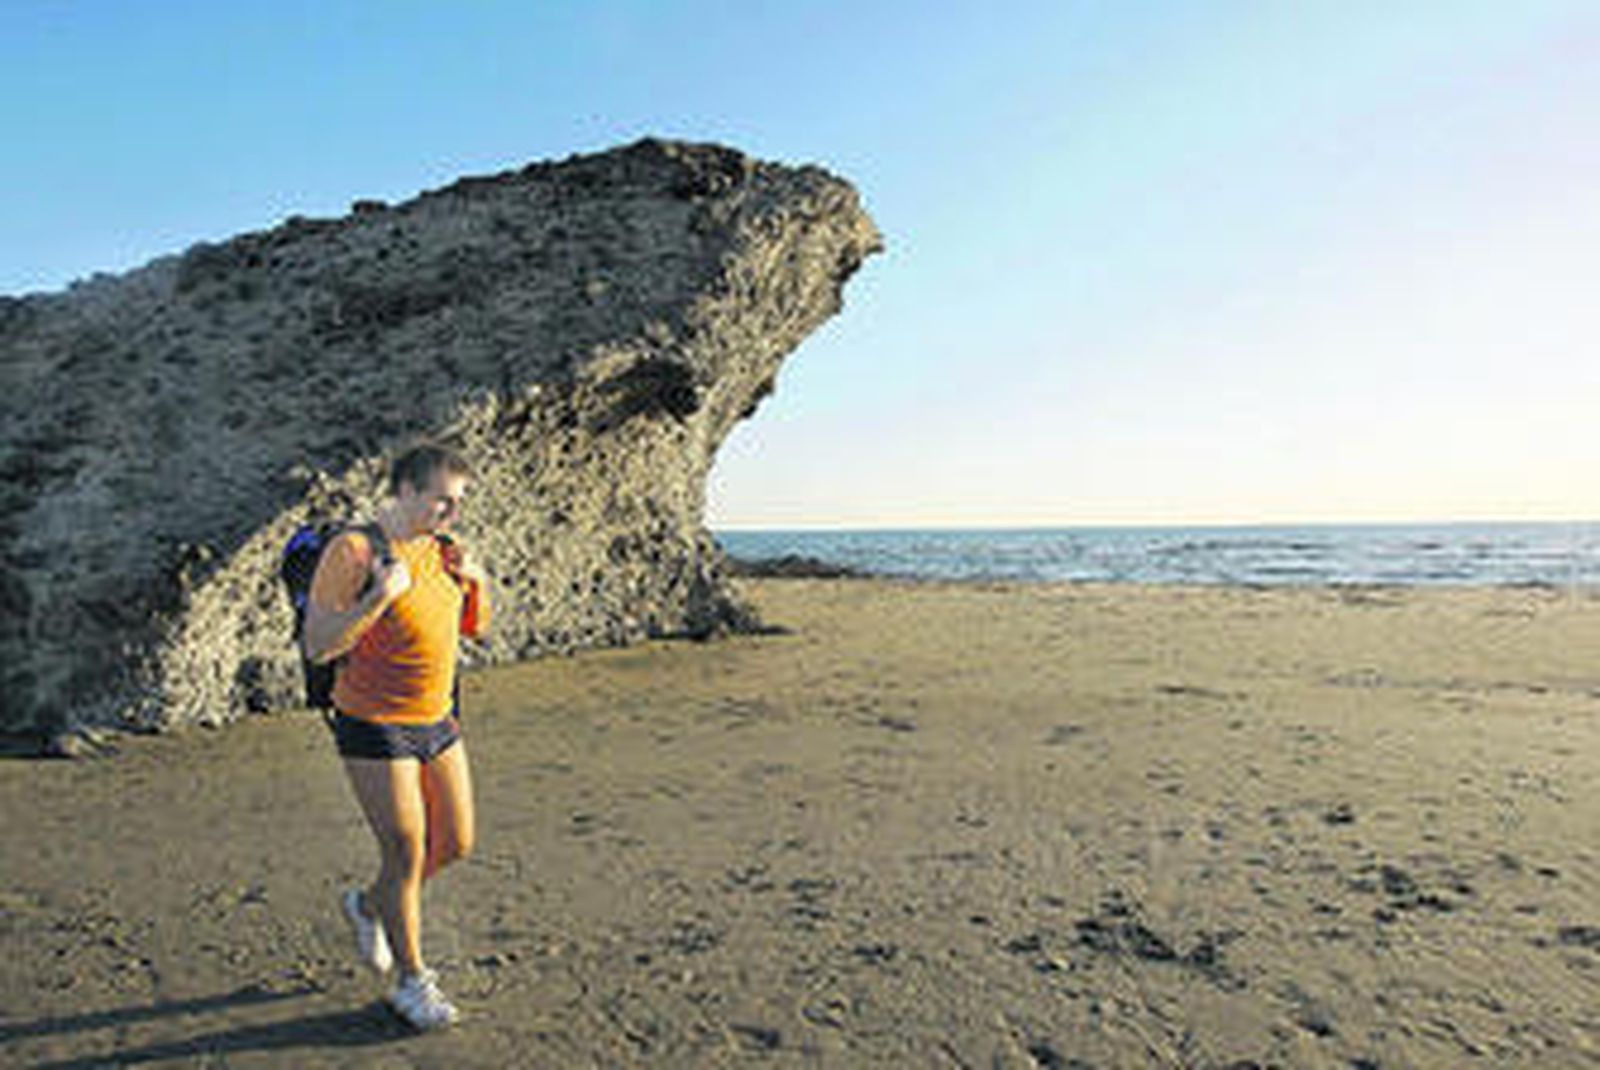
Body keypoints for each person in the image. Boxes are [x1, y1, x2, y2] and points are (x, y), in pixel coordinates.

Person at [302, 442, 490, 1031]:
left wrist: (476, 582)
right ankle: (412, 982)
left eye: (459, 501)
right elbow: (318, 644)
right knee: (405, 851)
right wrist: (379, 597)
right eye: (442, 500)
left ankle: (369, 905)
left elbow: (473, 629)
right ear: (406, 490)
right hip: (374, 723)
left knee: (454, 843)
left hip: (438, 719)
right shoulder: (354, 551)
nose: (452, 512)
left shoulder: (444, 550)